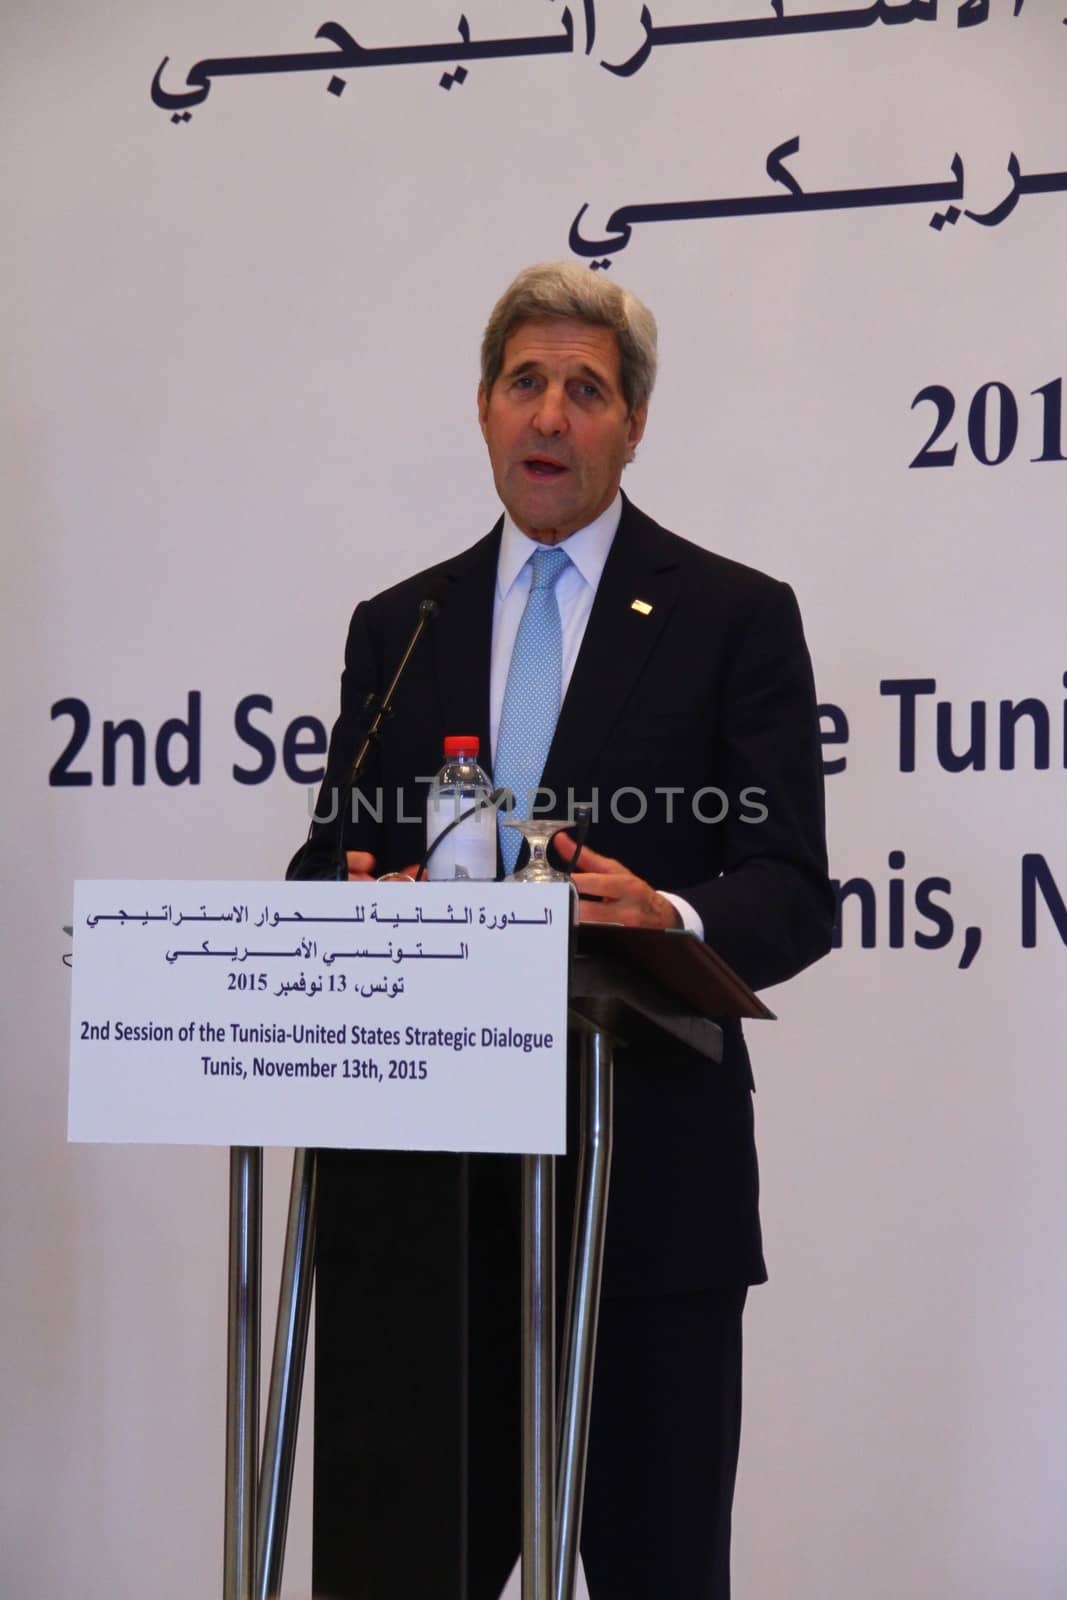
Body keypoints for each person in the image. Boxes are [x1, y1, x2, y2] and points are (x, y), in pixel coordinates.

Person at [292, 262, 833, 1599]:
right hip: (423, 1212)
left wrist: (669, 912)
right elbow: (319, 863)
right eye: (524, 382)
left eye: (586, 390)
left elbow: (793, 886)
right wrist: (367, 896)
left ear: (632, 426)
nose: (551, 414)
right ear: (482, 410)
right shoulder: (400, 626)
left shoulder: (732, 618)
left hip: (646, 1199)